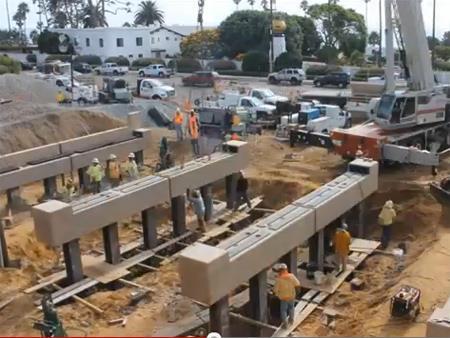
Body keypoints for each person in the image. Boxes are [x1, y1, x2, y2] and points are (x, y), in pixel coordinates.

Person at [273, 263, 301, 328]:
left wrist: (276, 295)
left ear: (280, 271)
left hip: (284, 298)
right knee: (291, 308)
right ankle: (291, 321)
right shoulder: (292, 276)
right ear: (286, 269)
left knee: (283, 310)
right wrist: (297, 293)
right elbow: (297, 284)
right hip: (291, 296)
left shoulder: (279, 280)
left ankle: (285, 324)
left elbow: (275, 290)